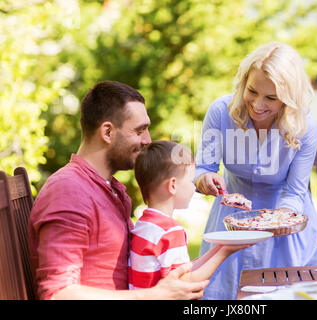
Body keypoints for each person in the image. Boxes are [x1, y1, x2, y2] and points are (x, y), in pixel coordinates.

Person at [28, 80, 209, 300]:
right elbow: (58, 294)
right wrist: (154, 295)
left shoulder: (108, 189)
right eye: (140, 130)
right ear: (107, 132)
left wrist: (226, 248)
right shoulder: (69, 191)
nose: (148, 140)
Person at [195, 42, 317, 299]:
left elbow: (295, 190)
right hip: (231, 221)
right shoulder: (221, 112)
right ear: (244, 82)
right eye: (252, 91)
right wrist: (205, 179)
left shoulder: (304, 126)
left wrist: (271, 223)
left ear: (288, 98)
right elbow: (203, 168)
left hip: (286, 221)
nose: (258, 105)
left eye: (271, 98)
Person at [129, 140, 249, 289]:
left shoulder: (143, 225)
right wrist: (224, 252)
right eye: (191, 180)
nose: (194, 187)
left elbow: (183, 269)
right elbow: (185, 282)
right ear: (173, 185)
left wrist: (221, 246)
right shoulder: (171, 232)